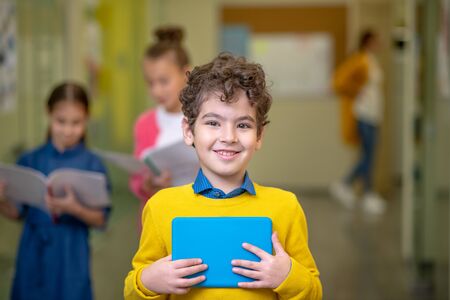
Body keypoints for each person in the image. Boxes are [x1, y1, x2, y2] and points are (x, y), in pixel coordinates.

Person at [124, 53, 322, 299]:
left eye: (243, 125)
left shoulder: (285, 207)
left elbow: (313, 291)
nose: (229, 137)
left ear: (259, 135)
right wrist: (147, 281)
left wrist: (288, 276)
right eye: (213, 123)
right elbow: (133, 289)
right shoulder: (160, 206)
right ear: (188, 131)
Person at [0, 82, 111, 300]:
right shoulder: (30, 159)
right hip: (33, 250)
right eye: (61, 122)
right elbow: (17, 213)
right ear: (48, 115)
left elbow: (101, 220)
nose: (68, 131)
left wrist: (75, 208)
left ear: (86, 119)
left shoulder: (93, 165)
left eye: (76, 123)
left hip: (71, 253)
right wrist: (2, 200)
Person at [129, 26, 190, 229]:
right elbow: (137, 177)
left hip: (195, 216)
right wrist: (148, 184)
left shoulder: (204, 119)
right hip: (156, 221)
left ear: (186, 73)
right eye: (150, 83)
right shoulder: (144, 124)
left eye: (164, 81)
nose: (156, 90)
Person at [330, 29, 386, 214]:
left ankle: (356, 188)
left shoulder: (370, 60)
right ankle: (352, 186)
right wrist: (357, 90)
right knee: (368, 155)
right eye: (376, 40)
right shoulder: (359, 59)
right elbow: (338, 82)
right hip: (364, 114)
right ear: (368, 41)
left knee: (369, 155)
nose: (379, 44)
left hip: (373, 115)